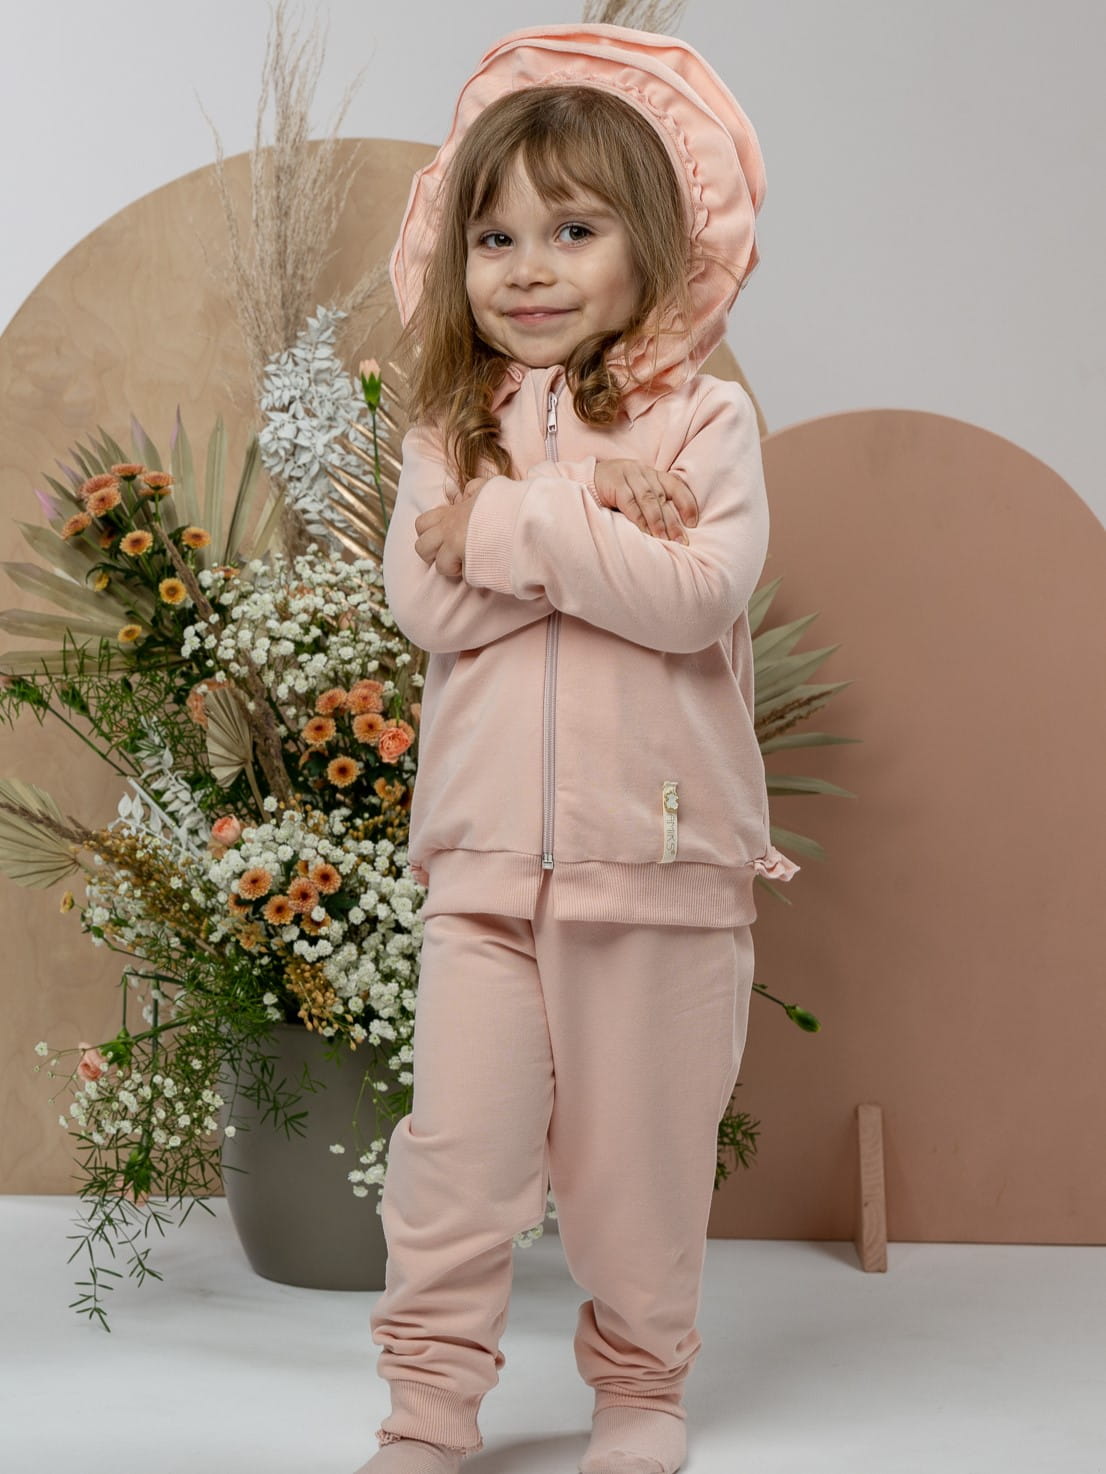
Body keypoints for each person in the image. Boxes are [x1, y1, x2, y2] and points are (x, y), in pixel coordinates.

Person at [358, 21, 799, 1474]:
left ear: (651, 242)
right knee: (455, 1159)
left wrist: (514, 523)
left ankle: (640, 1393)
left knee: (638, 1170)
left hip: (657, 872)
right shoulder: (452, 422)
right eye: (494, 236)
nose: (527, 267)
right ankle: (429, 1408)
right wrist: (587, 522)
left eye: (572, 228)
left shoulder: (706, 421)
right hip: (482, 865)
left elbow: (691, 600)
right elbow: (426, 605)